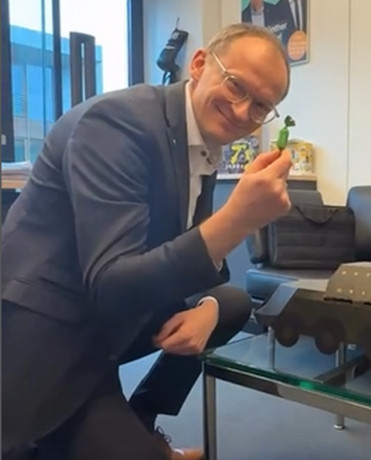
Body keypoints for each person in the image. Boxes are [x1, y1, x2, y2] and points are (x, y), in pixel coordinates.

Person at [1, 23, 292, 460]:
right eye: (236, 86)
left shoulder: (200, 141)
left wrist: (206, 309)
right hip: (50, 331)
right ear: (199, 64)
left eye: (260, 105)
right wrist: (237, 219)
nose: (241, 111)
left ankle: (142, 418)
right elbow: (112, 286)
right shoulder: (118, 123)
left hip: (109, 322)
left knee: (228, 302)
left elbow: (185, 259)